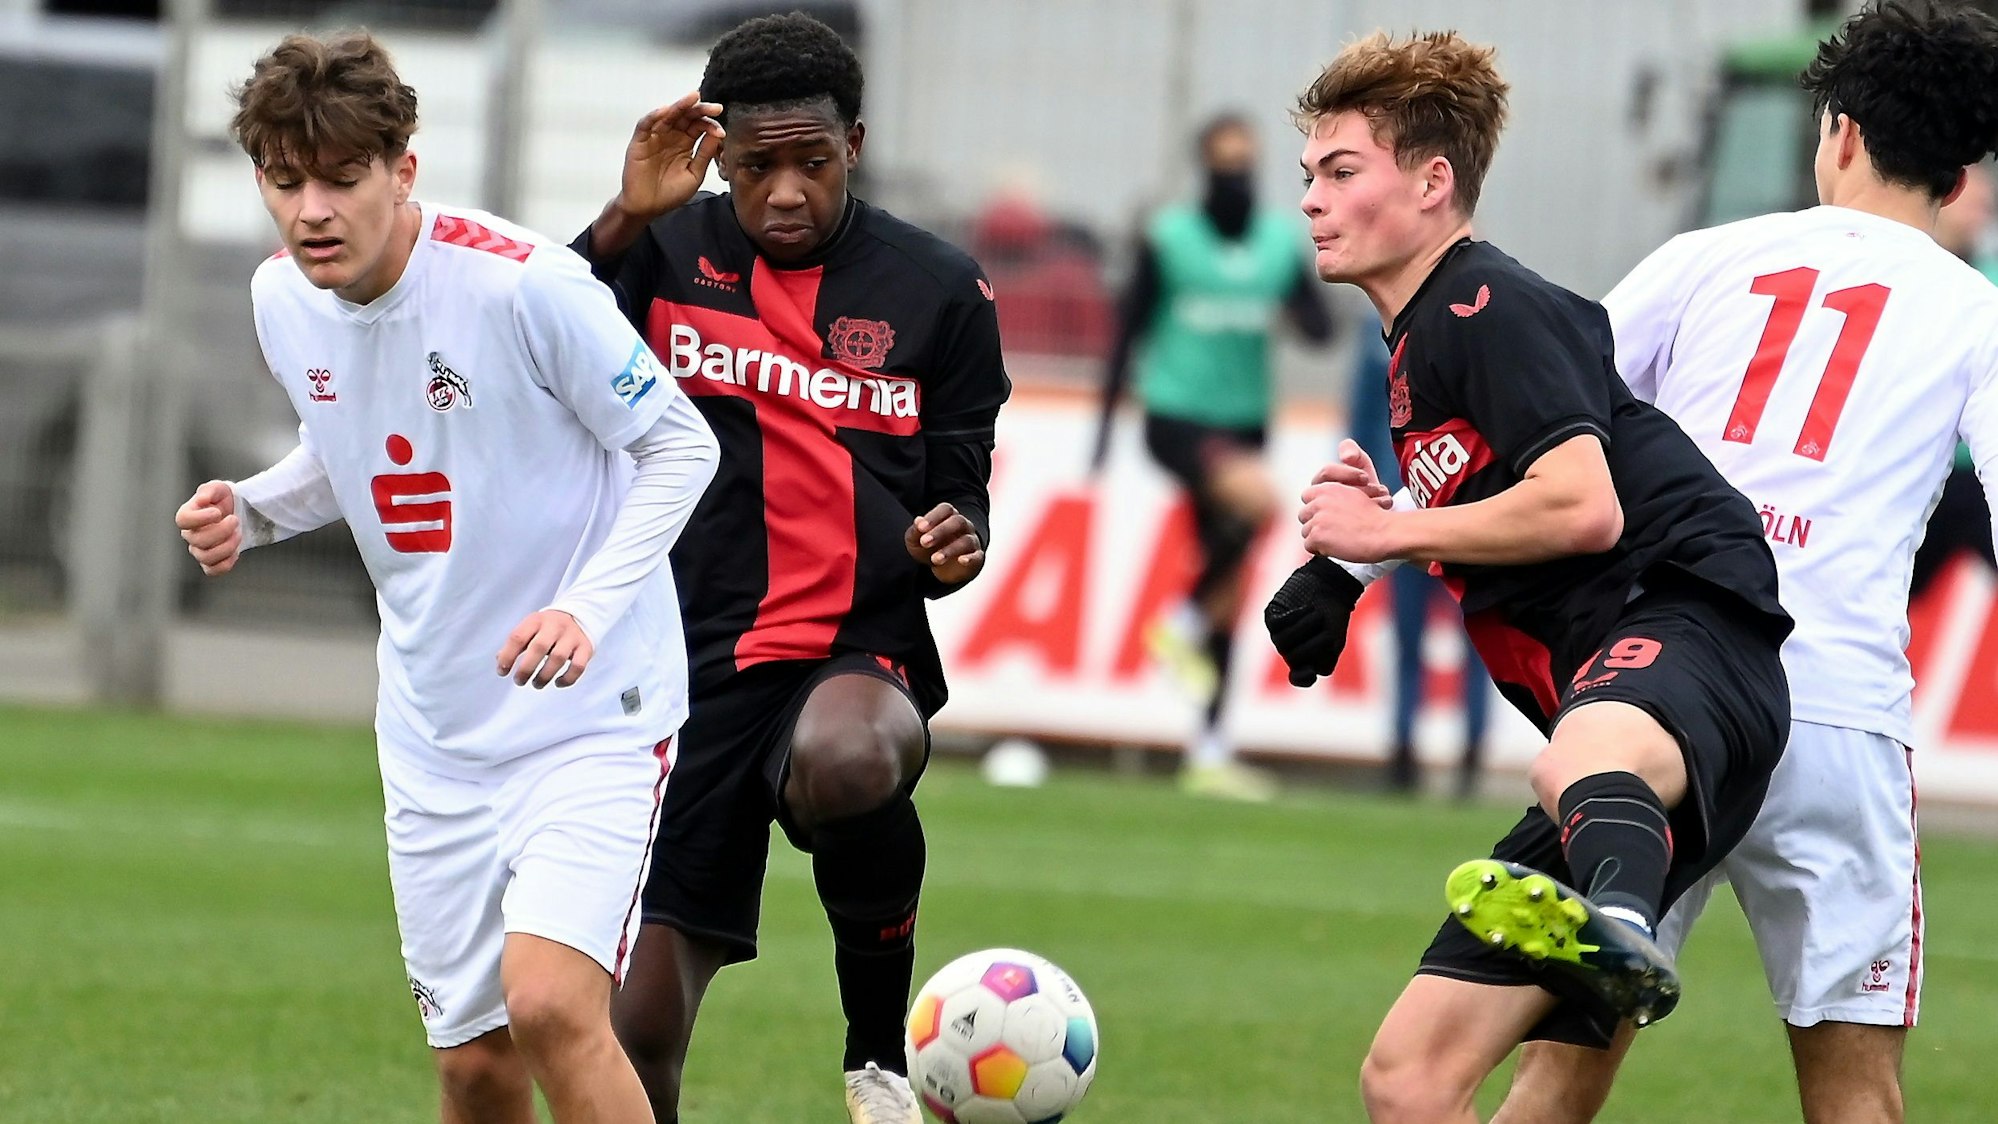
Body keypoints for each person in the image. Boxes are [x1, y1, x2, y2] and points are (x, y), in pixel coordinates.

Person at [173, 31, 719, 1124]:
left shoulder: (525, 287)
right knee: (473, 1068)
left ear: (403, 169)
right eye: (285, 182)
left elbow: (682, 445)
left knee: (554, 1006)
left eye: (340, 178)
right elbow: (362, 447)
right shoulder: (283, 297)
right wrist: (257, 508)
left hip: (589, 718)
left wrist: (584, 607)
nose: (311, 209)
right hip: (433, 735)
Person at [1260, 30, 1794, 1123]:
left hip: (1688, 628)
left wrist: (1389, 534)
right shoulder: (1420, 346)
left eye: (1341, 171)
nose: (1312, 200)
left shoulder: (1486, 302)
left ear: (1431, 181)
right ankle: (1617, 926)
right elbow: (1483, 491)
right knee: (1410, 1081)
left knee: (1576, 760)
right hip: (1621, 759)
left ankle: (1621, 930)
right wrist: (1353, 562)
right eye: (1308, 176)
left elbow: (1582, 502)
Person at [1497, 5, 1998, 1123]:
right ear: (1961, 176)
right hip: (1839, 722)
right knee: (1857, 1092)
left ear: (1839, 133)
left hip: (1678, 693)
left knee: (1561, 1069)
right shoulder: (1977, 315)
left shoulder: (1706, 258)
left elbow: (1552, 423)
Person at [568, 13, 1009, 1124]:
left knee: (853, 757)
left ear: (853, 143)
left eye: (811, 162)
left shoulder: (939, 290)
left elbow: (962, 491)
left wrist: (954, 536)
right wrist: (623, 215)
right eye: (755, 167)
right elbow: (537, 356)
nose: (784, 194)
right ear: (716, 155)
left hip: (852, 649)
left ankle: (879, 1060)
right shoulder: (659, 254)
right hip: (677, 674)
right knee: (632, 1039)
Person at [1091, 112, 1335, 802]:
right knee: (1262, 505)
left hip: (1245, 422)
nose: (1236, 179)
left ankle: (1208, 746)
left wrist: (1309, 301)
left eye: (1246, 164)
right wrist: (1103, 432)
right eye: (1224, 165)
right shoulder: (1169, 238)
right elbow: (1127, 332)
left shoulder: (1278, 244)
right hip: (1177, 416)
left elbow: (1317, 325)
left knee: (1230, 589)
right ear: (1204, 168)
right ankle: (1180, 624)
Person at [1347, 333, 1491, 797]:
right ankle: (1413, 752)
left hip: (1446, 513)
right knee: (1427, 638)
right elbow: (1360, 423)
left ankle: (1458, 754)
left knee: (1471, 639)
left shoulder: (1384, 336)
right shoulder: (1381, 336)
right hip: (1421, 512)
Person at [1911, 162, 1998, 600]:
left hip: (1975, 472)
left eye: (1987, 206)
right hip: (1919, 465)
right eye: (1975, 204)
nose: (1983, 215)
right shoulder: (1905, 271)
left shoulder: (1990, 279)